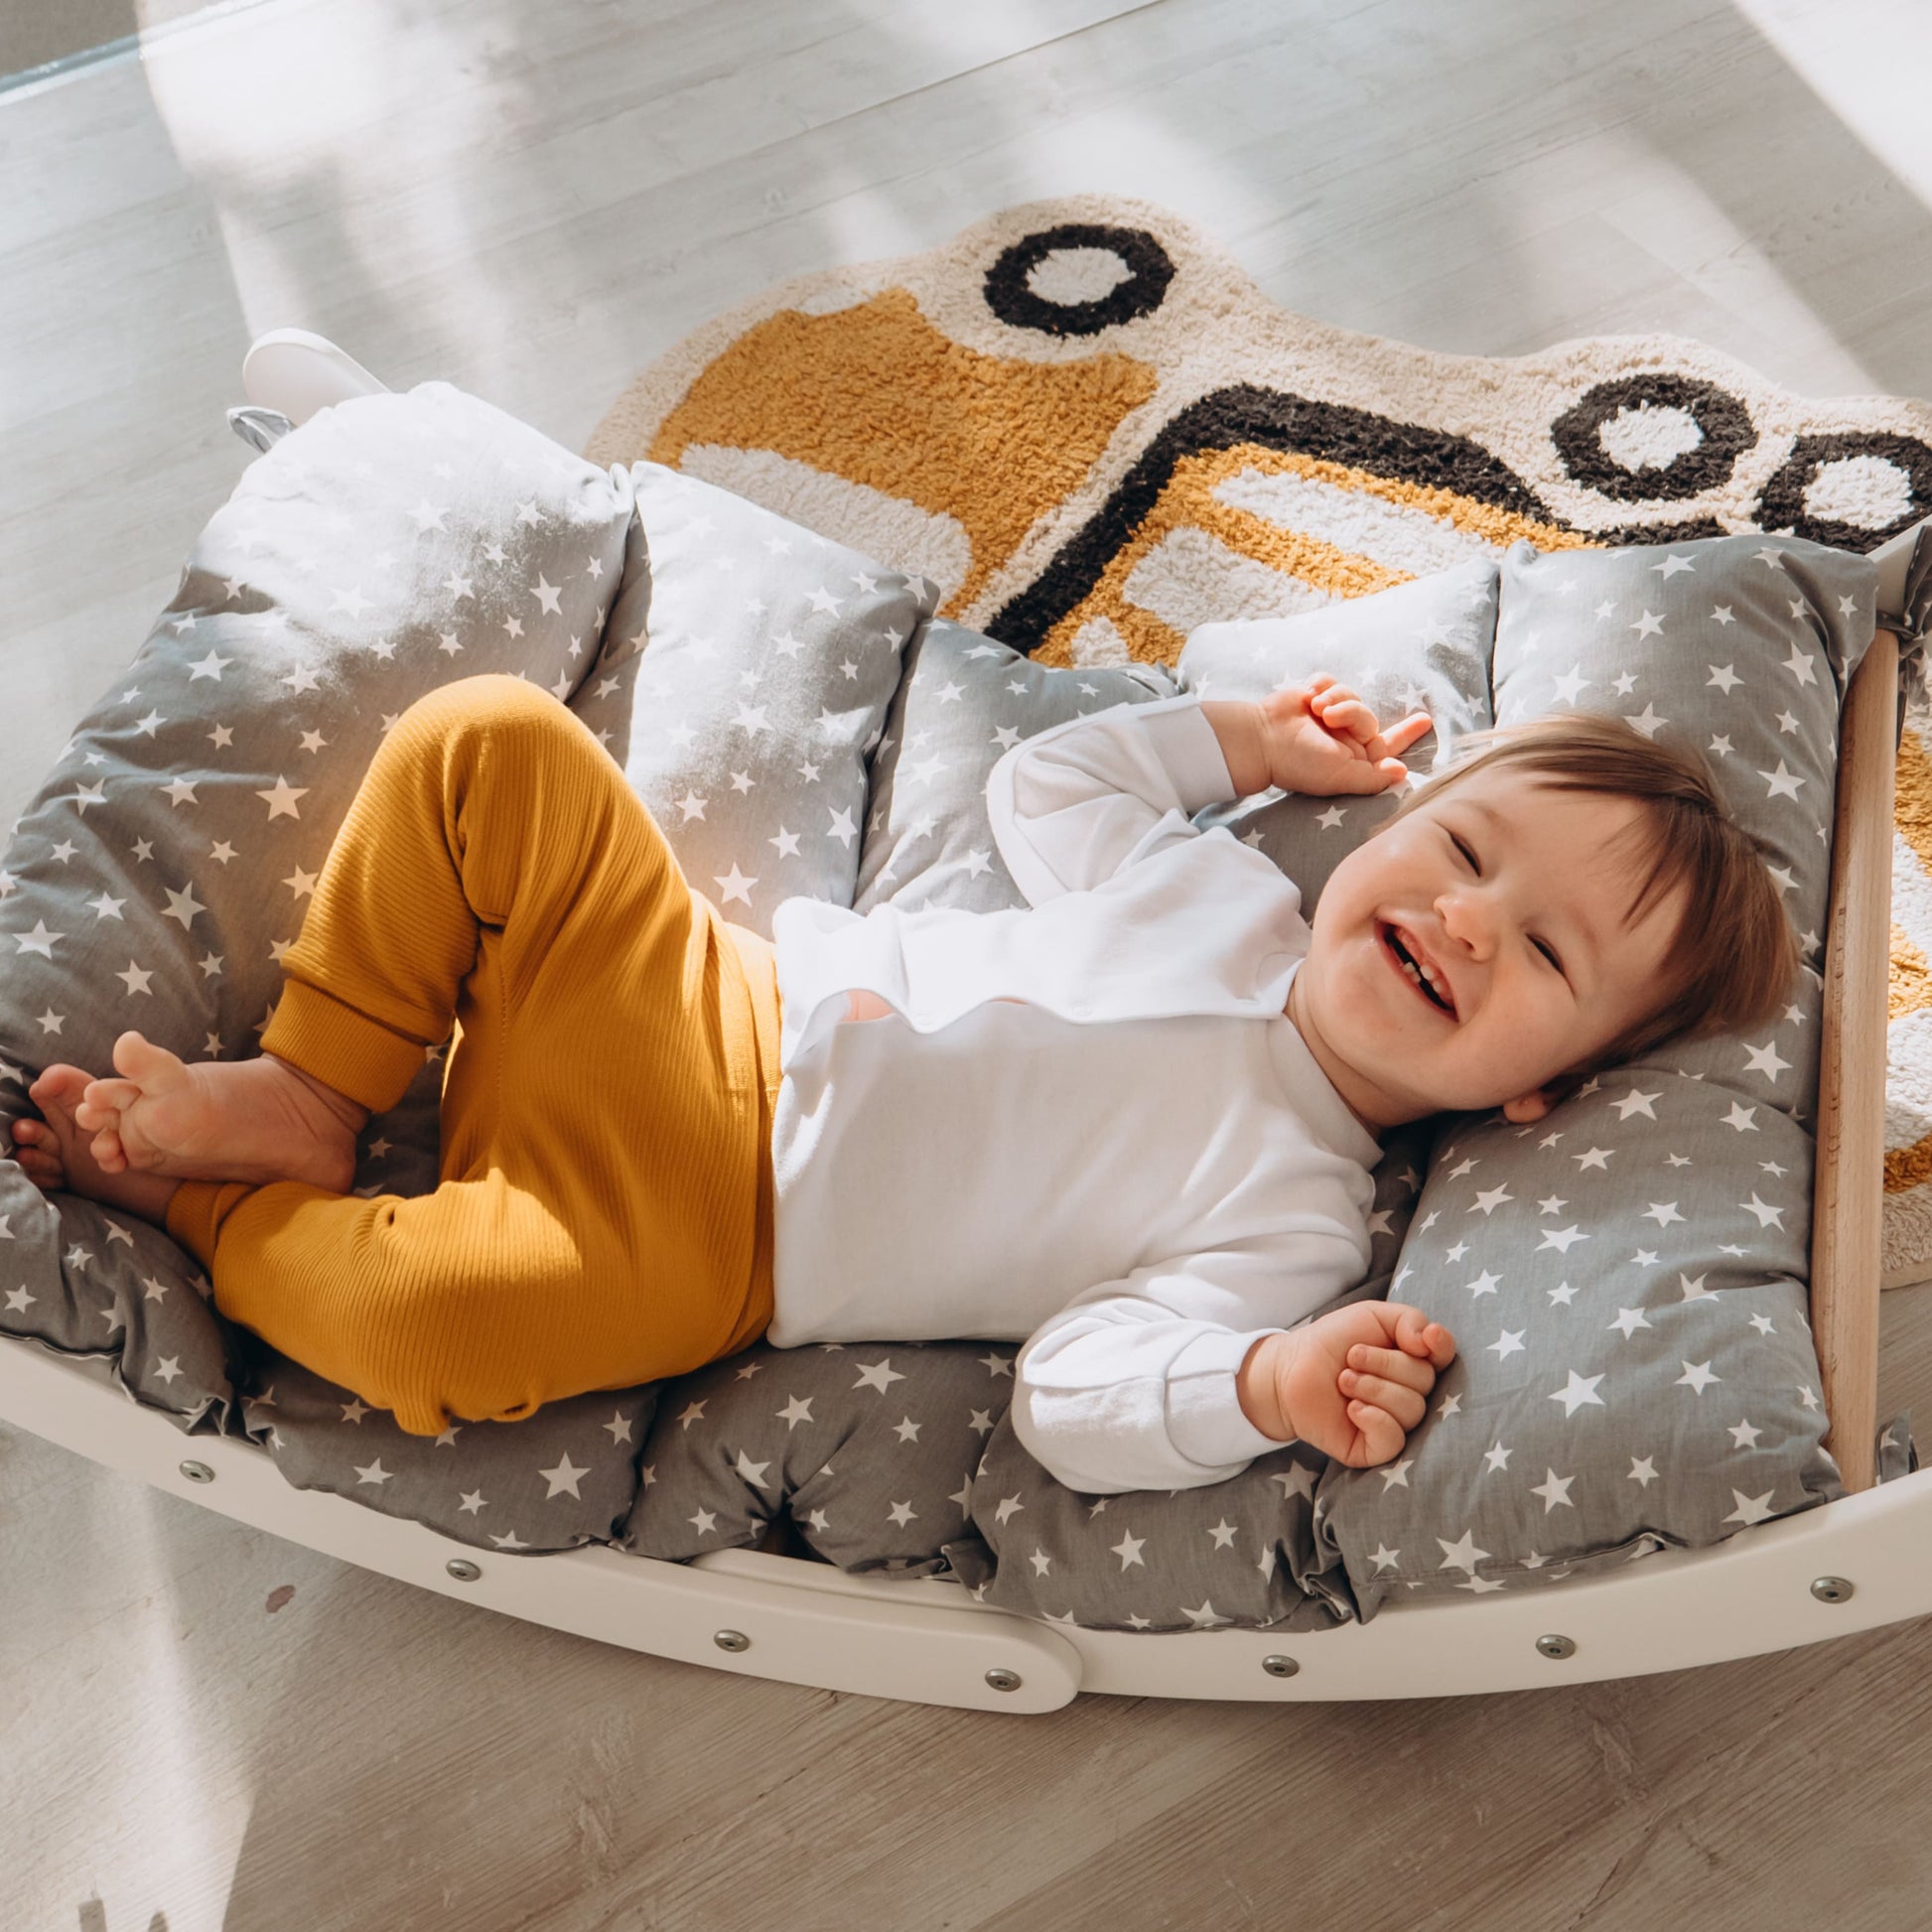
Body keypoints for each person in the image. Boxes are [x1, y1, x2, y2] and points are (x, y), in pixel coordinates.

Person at [2, 652, 1799, 1496]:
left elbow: (1076, 1395)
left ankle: (222, 1216)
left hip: (704, 1236)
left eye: (1542, 956)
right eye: (1462, 848)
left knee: (440, 1331)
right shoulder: (1222, 888)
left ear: (1539, 1094)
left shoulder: (1296, 1222)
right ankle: (317, 1089)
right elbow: (1049, 788)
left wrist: (1259, 1382)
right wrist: (1242, 740)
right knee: (491, 738)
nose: (1466, 921)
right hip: (699, 993)